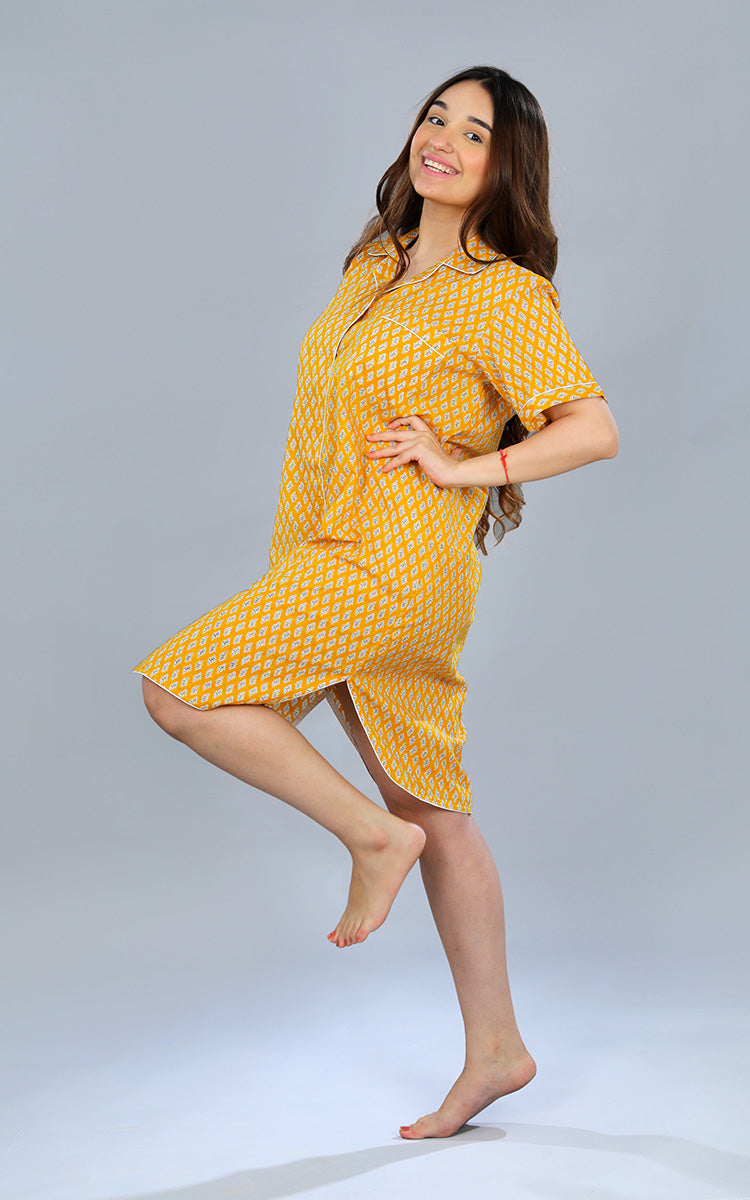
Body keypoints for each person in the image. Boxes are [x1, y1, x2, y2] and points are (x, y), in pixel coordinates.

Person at [134, 64, 619, 1139]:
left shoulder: (503, 292)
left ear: (506, 167)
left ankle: (367, 841)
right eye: (435, 117)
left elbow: (591, 428)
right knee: (433, 809)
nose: (442, 139)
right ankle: (497, 1049)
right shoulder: (375, 263)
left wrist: (465, 467)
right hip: (326, 551)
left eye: (475, 133)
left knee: (179, 692)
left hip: (389, 566)